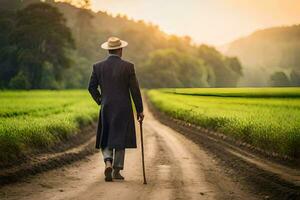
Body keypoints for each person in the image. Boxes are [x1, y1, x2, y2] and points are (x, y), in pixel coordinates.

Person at [88, 36, 144, 182]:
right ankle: (117, 171)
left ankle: (108, 161)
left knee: (105, 135)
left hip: (106, 107)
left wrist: (100, 100)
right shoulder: (128, 66)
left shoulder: (97, 67)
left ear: (108, 50)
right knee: (120, 137)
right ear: (120, 50)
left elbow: (91, 87)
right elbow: (135, 90)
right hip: (123, 108)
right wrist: (139, 110)